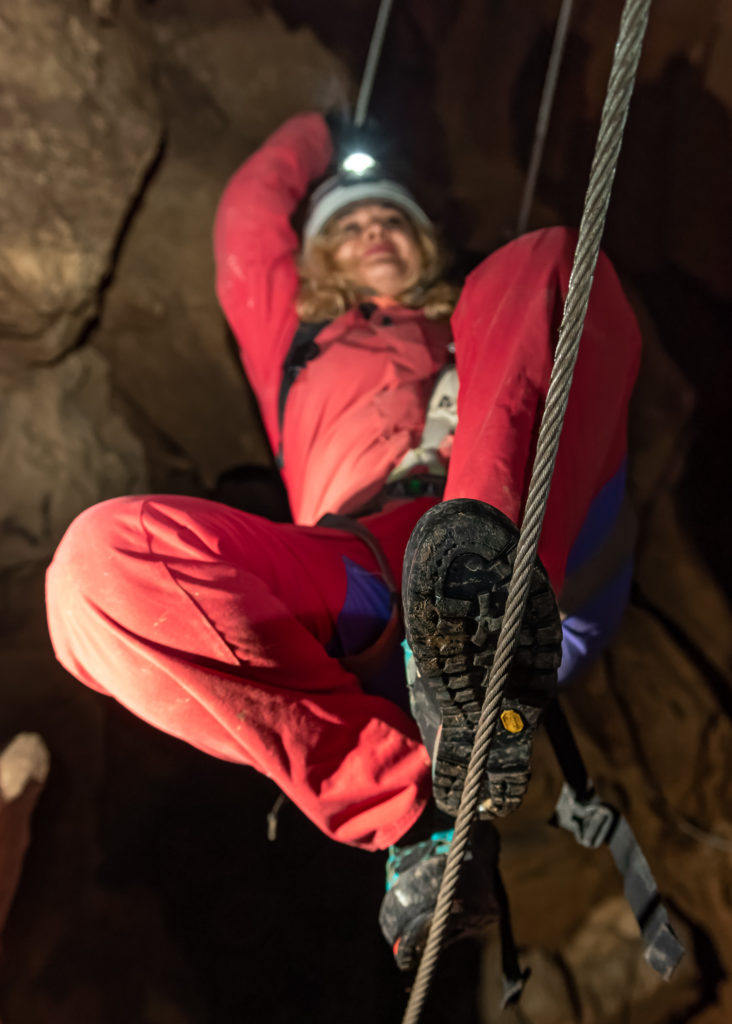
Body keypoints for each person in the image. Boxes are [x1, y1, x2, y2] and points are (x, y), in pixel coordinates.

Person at [45, 112, 641, 968]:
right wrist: (322, 131)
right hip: (370, 576)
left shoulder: (479, 311)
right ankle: (409, 808)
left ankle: (481, 608)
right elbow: (250, 217)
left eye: (390, 217)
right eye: (350, 225)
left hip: (538, 536)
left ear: (425, 239)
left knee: (545, 259)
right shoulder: (291, 342)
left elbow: (546, 297)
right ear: (319, 263)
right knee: (95, 568)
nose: (374, 229)